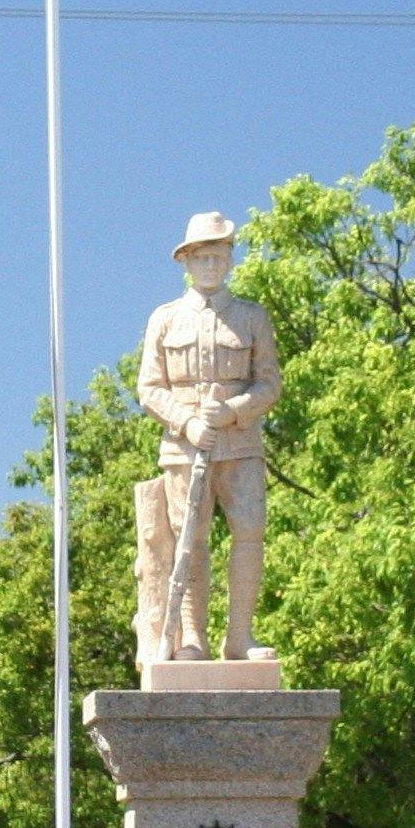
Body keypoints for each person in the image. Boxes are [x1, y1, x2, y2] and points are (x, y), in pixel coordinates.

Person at [134, 211, 281, 663]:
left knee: (249, 531)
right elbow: (149, 388)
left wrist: (233, 411)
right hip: (184, 449)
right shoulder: (165, 319)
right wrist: (187, 422)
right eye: (202, 257)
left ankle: (240, 636)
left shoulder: (253, 317)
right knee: (190, 539)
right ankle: (192, 637)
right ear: (187, 262)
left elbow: (269, 384)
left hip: (240, 446)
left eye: (218, 256)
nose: (211, 265)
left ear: (230, 260)